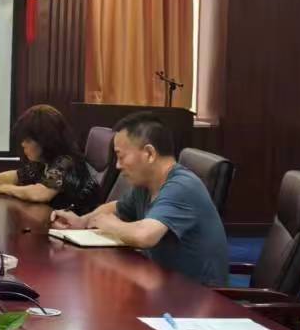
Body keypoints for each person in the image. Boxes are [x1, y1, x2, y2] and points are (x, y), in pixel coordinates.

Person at [49, 112, 228, 286]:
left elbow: (144, 236)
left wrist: (109, 224)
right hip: (163, 284)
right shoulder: (146, 184)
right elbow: (116, 207)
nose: (117, 165)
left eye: (121, 156)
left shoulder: (181, 186)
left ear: (149, 153)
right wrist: (82, 221)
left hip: (198, 296)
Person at [0, 104, 99, 212]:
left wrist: (9, 189)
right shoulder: (43, 161)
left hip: (77, 228)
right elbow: (17, 175)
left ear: (45, 141)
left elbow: (41, 193)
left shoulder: (65, 161)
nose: (23, 144)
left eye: (28, 140)